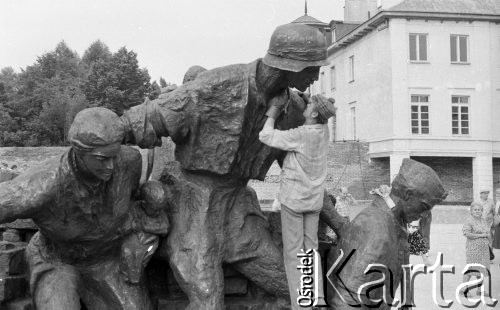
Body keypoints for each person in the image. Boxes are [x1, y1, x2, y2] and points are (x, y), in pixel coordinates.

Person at [120, 23, 347, 310]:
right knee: (207, 302)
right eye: (313, 67)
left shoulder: (293, 110)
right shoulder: (219, 85)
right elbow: (147, 119)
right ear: (292, 64)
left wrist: (340, 224)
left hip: (239, 214)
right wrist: (104, 134)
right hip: (192, 207)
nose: (317, 75)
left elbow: (306, 175)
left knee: (299, 289)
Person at [0, 107, 169, 309]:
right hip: (56, 260)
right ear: (79, 152)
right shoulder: (44, 185)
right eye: (102, 159)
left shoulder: (130, 162)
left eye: (115, 155)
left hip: (106, 260)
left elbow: (132, 201)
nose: (112, 166)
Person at [327, 159, 447, 309]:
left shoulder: (397, 221)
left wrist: (406, 302)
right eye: (424, 206)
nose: (424, 215)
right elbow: (345, 302)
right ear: (408, 195)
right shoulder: (378, 229)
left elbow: (404, 264)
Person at [259, 94, 335, 309]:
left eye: (310, 104)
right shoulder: (324, 131)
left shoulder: (302, 134)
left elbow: (266, 136)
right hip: (313, 201)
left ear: (313, 113)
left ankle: (301, 305)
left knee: (293, 255)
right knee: (311, 250)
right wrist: (309, 99)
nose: (307, 103)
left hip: (293, 201)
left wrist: (272, 113)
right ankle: (316, 298)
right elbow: (322, 114)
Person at [462, 202, 491, 296]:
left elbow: (488, 232)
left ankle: (480, 290)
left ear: (482, 211)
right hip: (473, 248)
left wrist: (489, 241)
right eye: (475, 209)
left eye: (479, 209)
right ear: (471, 211)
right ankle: (464, 289)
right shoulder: (469, 221)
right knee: (471, 269)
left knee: (481, 269)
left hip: (484, 249)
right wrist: (481, 235)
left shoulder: (483, 220)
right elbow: (467, 234)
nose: (477, 211)